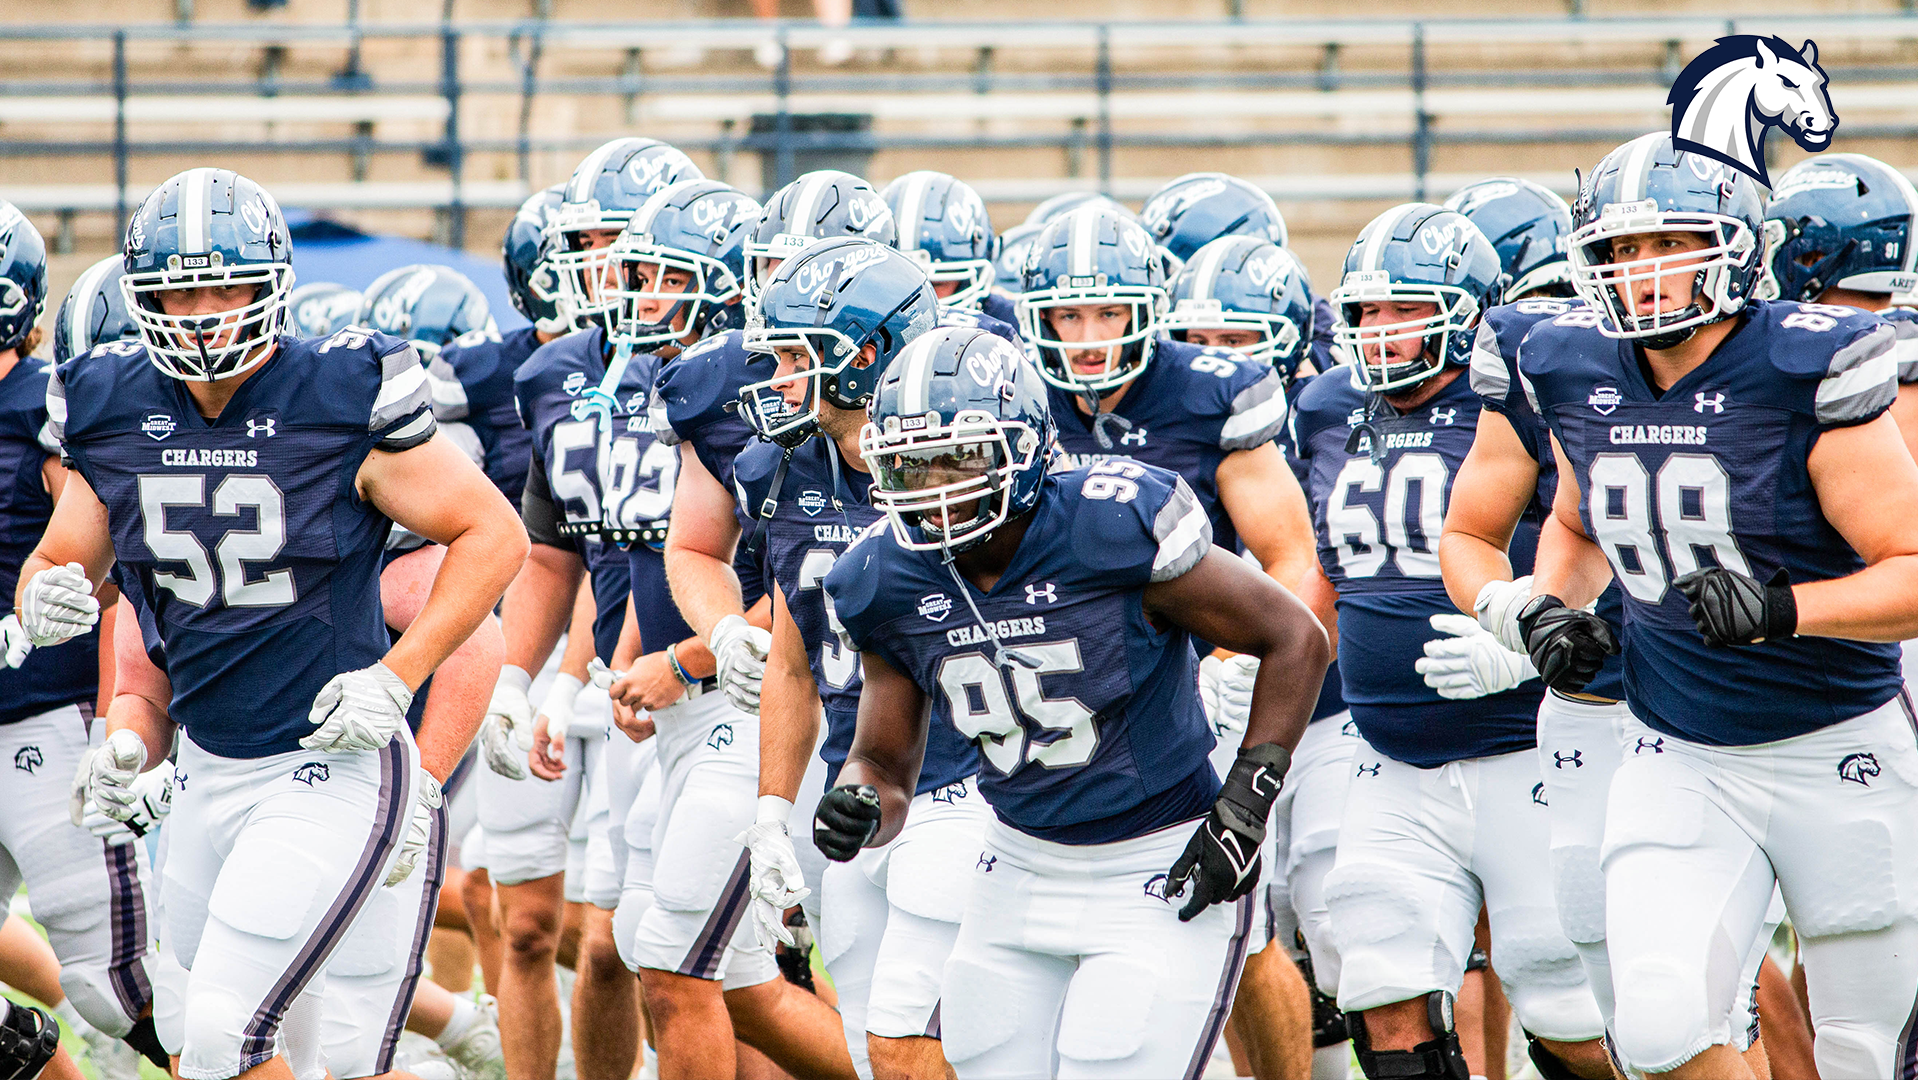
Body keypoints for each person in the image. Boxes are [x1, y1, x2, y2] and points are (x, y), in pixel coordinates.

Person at [36, 166, 524, 1080]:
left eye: (225, 283)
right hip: (208, 771)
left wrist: (399, 676)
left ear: (274, 283)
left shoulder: (339, 390)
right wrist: (49, 598)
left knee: (226, 1035)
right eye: (180, 290)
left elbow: (493, 535)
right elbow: (79, 570)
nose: (204, 311)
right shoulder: (111, 406)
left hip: (326, 766)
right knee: (218, 1044)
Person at [821, 328, 1330, 1076]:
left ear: (1026, 449)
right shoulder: (883, 577)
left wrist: (1244, 806)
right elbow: (883, 762)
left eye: (959, 457)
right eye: (911, 463)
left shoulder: (1108, 523)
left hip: (1158, 857)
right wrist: (858, 801)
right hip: (1015, 859)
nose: (934, 484)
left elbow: (1296, 637)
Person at [1519, 131, 1918, 1080]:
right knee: (1658, 1028)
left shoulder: (1800, 364)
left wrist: (1783, 611)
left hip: (1840, 741)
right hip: (1679, 748)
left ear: (1740, 244)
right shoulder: (1573, 364)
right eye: (1621, 251)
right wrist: (1547, 608)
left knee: (1864, 1048)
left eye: (1668, 244)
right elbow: (1575, 525)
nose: (1642, 273)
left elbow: (1913, 567)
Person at [1297, 202, 1609, 1080]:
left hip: (1524, 748)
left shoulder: (1526, 398)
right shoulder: (1324, 404)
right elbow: (1334, 571)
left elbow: (1615, 538)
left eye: (1407, 307)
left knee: (1567, 1010)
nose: (1382, 331)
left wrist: (1527, 645)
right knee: (1382, 998)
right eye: (1367, 311)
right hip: (1387, 755)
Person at [478, 139, 701, 1080]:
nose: (608, 263)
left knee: (664, 949)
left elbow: (691, 549)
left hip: (700, 675)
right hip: (617, 677)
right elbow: (559, 548)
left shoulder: (722, 372)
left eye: (629, 243)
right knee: (588, 936)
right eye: (594, 240)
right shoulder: (553, 374)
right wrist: (521, 680)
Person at [734, 239, 982, 1080]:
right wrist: (773, 809)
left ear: (864, 355)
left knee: (913, 1034)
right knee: (868, 1044)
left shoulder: (961, 463)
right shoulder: (776, 469)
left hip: (963, 781)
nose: (776, 380)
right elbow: (794, 664)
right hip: (856, 789)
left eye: (797, 357)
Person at [0, 201, 167, 1078]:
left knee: (117, 989)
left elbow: (114, 574)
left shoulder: (43, 406)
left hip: (43, 719)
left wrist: (115, 728)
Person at [881, 170, 1021, 329]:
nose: (918, 302)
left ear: (967, 282)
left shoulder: (1009, 326)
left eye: (937, 283)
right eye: (902, 284)